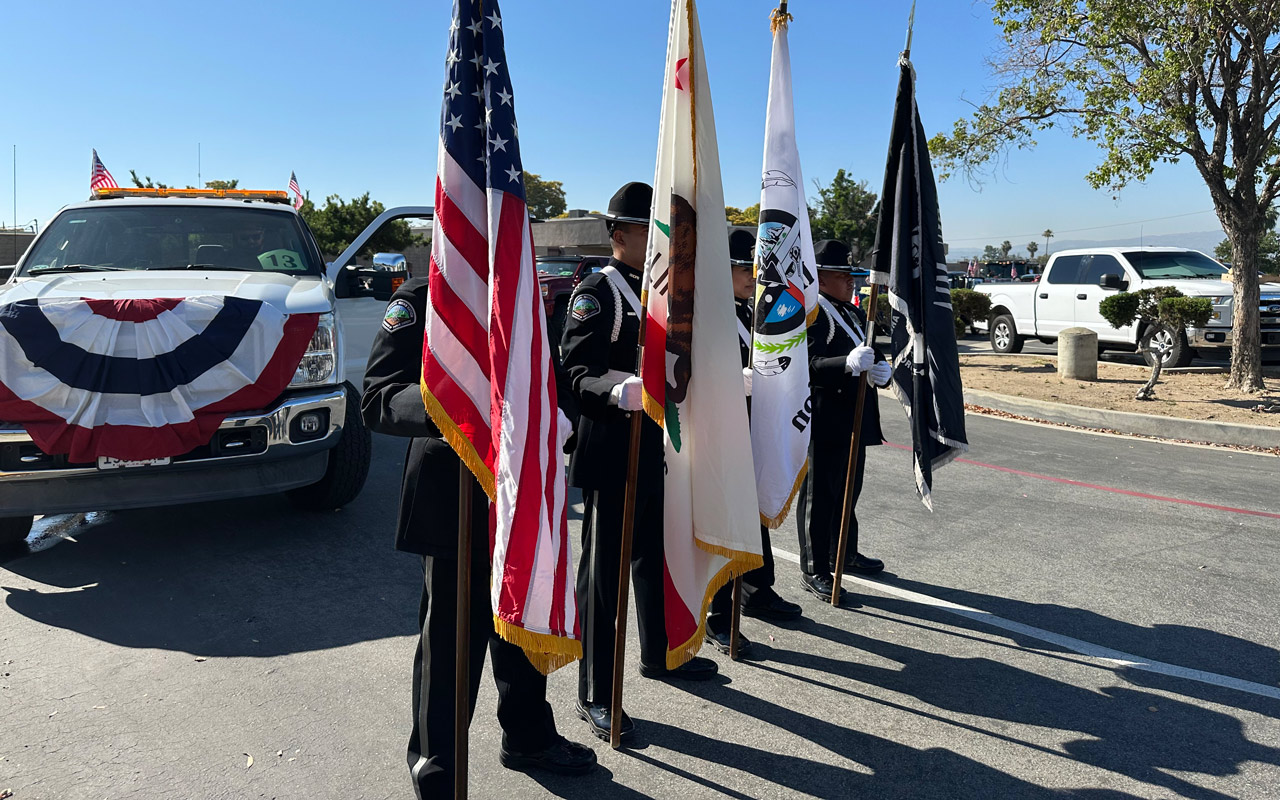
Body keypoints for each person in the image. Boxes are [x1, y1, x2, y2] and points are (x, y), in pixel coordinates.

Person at [362, 278, 596, 797]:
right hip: (452, 493)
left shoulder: (517, 291)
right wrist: (458, 411)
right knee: (450, 639)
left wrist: (560, 420)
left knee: (521, 621)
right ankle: (437, 767)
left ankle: (528, 735)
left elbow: (548, 375)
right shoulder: (422, 295)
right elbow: (379, 395)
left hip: (519, 492)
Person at [560, 181, 718, 742]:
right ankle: (597, 691)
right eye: (646, 232)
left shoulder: (661, 292)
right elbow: (575, 372)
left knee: (655, 554)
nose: (658, 243)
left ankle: (659, 653)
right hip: (610, 447)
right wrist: (615, 388)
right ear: (619, 234)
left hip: (655, 443)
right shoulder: (598, 292)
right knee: (604, 576)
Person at [705, 229, 803, 655]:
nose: (752, 276)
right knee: (726, 527)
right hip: (720, 440)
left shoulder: (747, 313)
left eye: (754, 268)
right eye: (744, 268)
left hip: (751, 433)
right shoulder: (707, 316)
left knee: (752, 519)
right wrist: (731, 381)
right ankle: (717, 616)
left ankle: (755, 592)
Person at [795, 239, 893, 603]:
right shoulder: (812, 313)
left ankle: (844, 551)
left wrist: (880, 367)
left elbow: (867, 350)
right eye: (841, 275)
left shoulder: (850, 313)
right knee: (820, 496)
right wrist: (846, 365)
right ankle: (815, 566)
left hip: (855, 415)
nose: (850, 281)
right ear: (819, 277)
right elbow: (807, 365)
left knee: (849, 490)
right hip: (825, 416)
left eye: (851, 274)